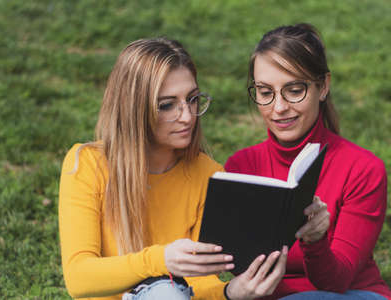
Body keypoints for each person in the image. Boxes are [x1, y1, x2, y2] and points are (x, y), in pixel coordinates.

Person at [58, 37, 287, 300]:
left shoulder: (207, 174)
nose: (187, 116)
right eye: (167, 105)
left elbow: (197, 285)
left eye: (192, 99)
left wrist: (230, 292)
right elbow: (78, 277)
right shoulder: (87, 164)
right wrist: (162, 259)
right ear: (134, 109)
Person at [224, 24, 391, 300]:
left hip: (351, 293)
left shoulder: (363, 169)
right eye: (265, 93)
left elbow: (337, 281)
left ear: (323, 86)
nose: (278, 107)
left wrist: (315, 241)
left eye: (294, 90)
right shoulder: (241, 167)